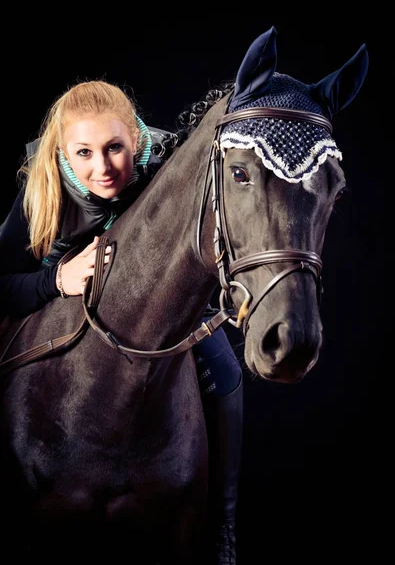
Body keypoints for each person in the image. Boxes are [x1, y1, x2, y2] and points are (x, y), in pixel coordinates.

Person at [0, 80, 242, 564]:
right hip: (55, 291)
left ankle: (223, 522)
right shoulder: (41, 188)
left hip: (150, 301)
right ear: (64, 152)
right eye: (84, 152)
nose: (102, 167)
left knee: (227, 373)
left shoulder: (164, 165)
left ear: (137, 139)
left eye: (114, 148)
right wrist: (57, 282)